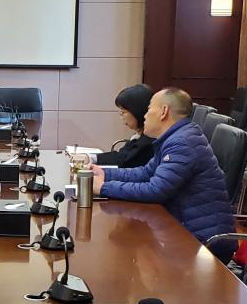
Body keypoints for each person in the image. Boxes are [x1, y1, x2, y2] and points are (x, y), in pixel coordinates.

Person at [87, 88, 236, 262]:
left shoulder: (182, 143)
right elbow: (145, 173)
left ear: (164, 112)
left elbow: (156, 190)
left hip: (203, 244)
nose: (144, 116)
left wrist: (104, 187)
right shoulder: (176, 137)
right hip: (186, 230)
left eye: (149, 109)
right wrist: (105, 173)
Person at [93, 84, 156, 168]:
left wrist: (92, 158)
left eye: (123, 112)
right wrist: (92, 158)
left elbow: (124, 161)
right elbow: (121, 155)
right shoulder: (139, 135)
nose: (121, 116)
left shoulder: (149, 140)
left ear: (138, 111)